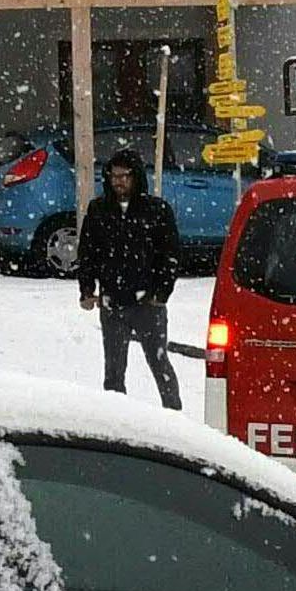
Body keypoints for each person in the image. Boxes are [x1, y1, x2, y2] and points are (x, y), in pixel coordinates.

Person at [74, 148, 183, 408]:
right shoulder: (99, 210)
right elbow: (88, 254)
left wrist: (161, 293)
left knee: (158, 362)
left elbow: (170, 254)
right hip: (112, 302)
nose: (119, 181)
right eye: (114, 176)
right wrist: (87, 290)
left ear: (136, 177)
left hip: (148, 303)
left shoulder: (156, 210)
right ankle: (117, 420)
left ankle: (175, 419)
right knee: (113, 369)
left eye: (125, 176)